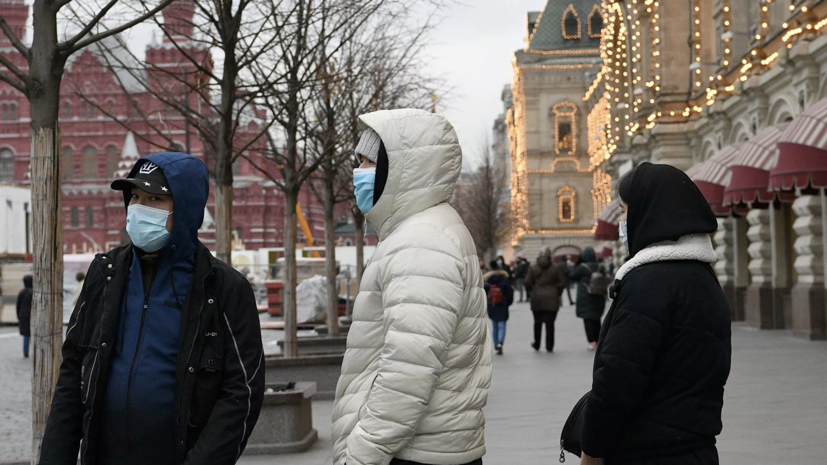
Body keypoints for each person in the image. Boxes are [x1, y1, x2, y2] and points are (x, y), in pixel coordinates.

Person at [39, 153, 265, 465]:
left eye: (155, 199)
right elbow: (73, 373)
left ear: (184, 209)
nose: (139, 208)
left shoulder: (223, 288)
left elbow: (242, 392)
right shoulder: (106, 274)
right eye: (135, 197)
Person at [332, 109, 491, 465]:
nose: (357, 171)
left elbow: (408, 373)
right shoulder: (422, 231)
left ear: (400, 168)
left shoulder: (422, 241)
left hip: (411, 453)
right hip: (426, 447)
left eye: (367, 161)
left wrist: (359, 455)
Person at [580, 163, 731, 465]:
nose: (622, 220)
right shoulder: (704, 278)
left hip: (645, 453)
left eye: (623, 210)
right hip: (697, 449)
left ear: (647, 212)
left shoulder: (647, 283)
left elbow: (617, 380)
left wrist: (592, 451)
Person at [524, 246, 564, 352]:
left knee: (537, 322)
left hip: (537, 298)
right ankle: (549, 346)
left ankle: (537, 344)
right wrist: (556, 293)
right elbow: (561, 283)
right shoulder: (556, 267)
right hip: (552, 298)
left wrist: (532, 291)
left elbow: (527, 282)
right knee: (550, 324)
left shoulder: (533, 267)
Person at [570, 247, 607, 350]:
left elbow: (572, 275)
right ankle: (599, 341)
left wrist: (577, 262)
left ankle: (592, 342)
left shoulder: (582, 267)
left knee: (588, 320)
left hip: (586, 296)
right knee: (596, 319)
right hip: (599, 295)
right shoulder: (600, 266)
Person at [485, 266, 513, 355]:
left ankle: (496, 344)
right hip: (502, 305)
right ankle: (501, 342)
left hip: (492, 306)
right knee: (502, 326)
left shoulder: (488, 282)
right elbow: (510, 295)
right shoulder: (505, 281)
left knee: (495, 326)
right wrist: (508, 303)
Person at [16, 275, 32, 358]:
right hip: (32, 314)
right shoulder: (33, 292)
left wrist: (18, 315)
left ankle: (26, 351)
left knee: (26, 334)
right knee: (34, 333)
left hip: (23, 314)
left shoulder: (22, 292)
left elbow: (18, 305)